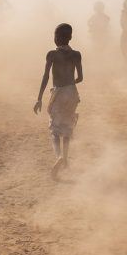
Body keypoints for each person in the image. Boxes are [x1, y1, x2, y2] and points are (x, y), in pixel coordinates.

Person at [34, 24, 83, 177]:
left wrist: (39, 98)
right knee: (68, 125)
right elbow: (80, 77)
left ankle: (59, 156)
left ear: (56, 38)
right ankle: (66, 159)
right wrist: (70, 85)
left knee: (54, 129)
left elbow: (46, 76)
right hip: (72, 92)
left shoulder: (52, 55)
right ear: (70, 38)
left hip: (59, 91)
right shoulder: (76, 54)